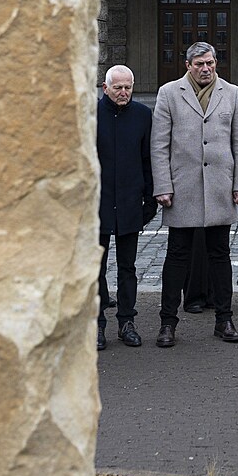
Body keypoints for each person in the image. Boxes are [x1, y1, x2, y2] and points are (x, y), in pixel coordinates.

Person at [150, 43, 238, 347]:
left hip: (220, 187)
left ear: (216, 63)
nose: (205, 69)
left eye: (210, 63)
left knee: (219, 256)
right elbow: (159, 145)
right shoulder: (169, 93)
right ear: (187, 65)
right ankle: (168, 323)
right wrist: (163, 186)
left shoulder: (231, 93)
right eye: (199, 64)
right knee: (177, 257)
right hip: (183, 189)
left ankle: (224, 320)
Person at [96, 65, 153, 350]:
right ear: (105, 88)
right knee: (96, 269)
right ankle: (97, 324)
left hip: (131, 201)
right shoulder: (90, 116)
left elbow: (148, 160)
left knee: (128, 268)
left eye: (128, 87)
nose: (123, 92)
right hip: (98, 204)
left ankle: (127, 322)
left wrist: (151, 198)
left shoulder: (143, 116)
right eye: (117, 87)